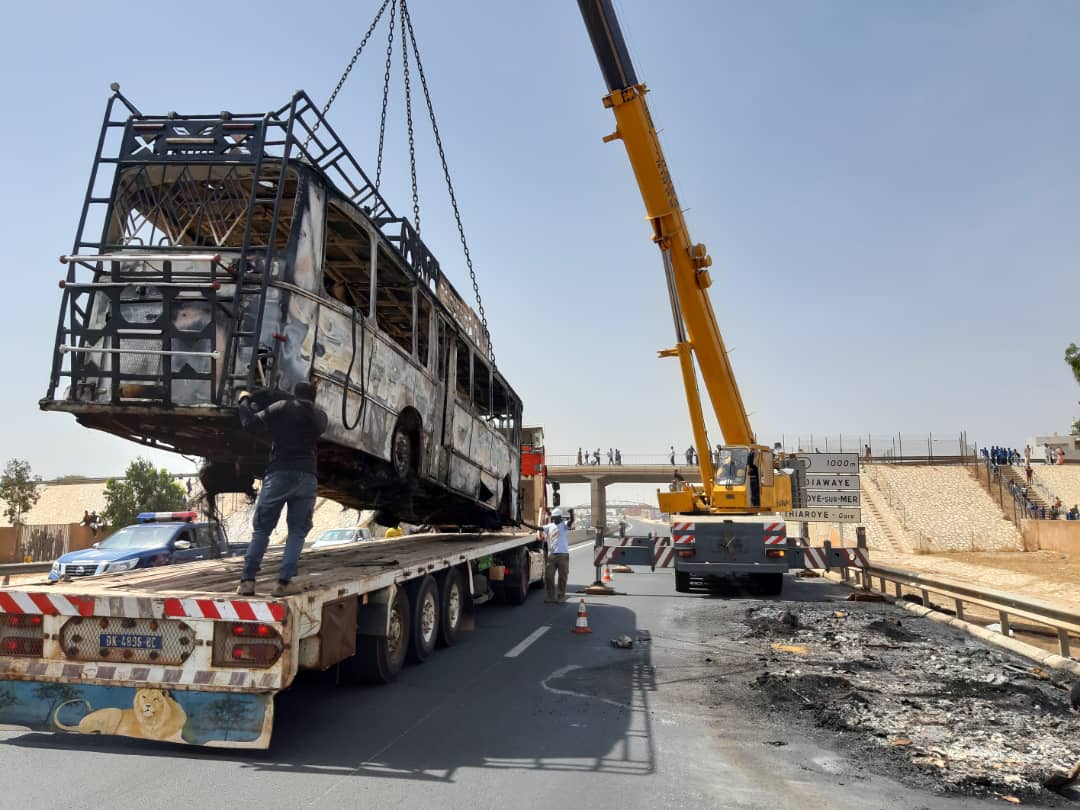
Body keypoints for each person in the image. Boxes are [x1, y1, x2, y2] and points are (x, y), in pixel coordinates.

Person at [236, 382, 329, 597]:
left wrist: (244, 400)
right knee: (297, 531)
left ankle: (247, 581)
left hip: (278, 474)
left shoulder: (281, 408)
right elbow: (303, 410)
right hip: (307, 477)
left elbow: (250, 424)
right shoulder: (320, 417)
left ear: (294, 394)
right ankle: (284, 582)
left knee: (262, 529)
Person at [541, 507, 572, 603]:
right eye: (553, 517)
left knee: (562, 577)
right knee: (549, 576)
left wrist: (572, 514)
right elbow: (539, 528)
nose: (553, 519)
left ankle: (561, 597)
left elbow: (571, 521)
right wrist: (525, 524)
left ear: (560, 517)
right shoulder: (549, 526)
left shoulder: (564, 525)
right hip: (552, 555)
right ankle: (550, 597)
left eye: (555, 517)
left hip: (563, 555)